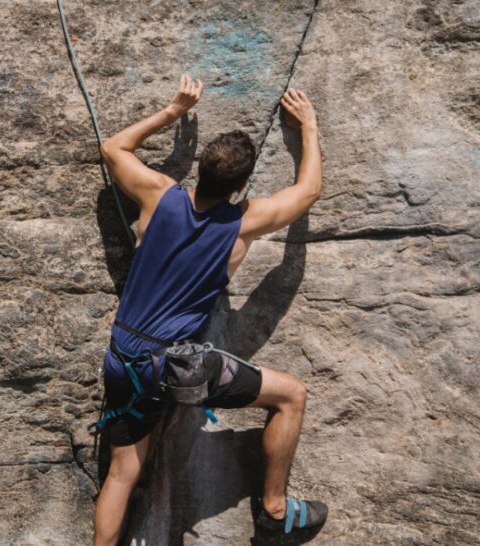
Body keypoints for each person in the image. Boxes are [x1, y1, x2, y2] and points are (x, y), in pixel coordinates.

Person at [93, 75, 326, 545]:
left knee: (121, 476)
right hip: (176, 368)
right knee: (291, 396)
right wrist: (310, 128)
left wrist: (173, 111)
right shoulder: (241, 224)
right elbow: (308, 192)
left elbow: (113, 148)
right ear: (241, 187)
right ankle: (275, 511)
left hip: (123, 359)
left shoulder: (159, 195)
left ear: (199, 170)